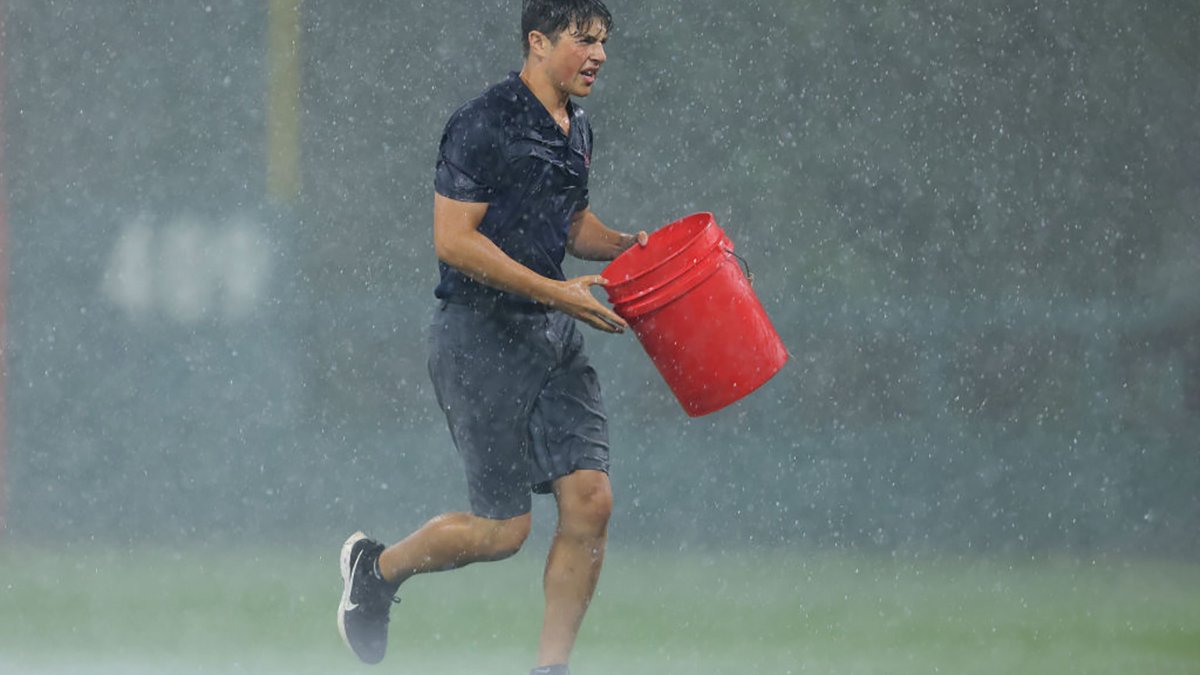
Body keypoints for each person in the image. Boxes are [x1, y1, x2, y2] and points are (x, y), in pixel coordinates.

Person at [337, 2, 645, 673]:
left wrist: (633, 247)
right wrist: (558, 290)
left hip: (552, 330)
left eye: (603, 42)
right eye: (581, 40)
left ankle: (550, 668)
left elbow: (571, 228)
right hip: (479, 336)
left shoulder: (577, 125)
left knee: (591, 499)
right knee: (504, 531)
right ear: (537, 42)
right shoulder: (483, 123)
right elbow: (454, 242)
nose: (596, 55)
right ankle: (376, 571)